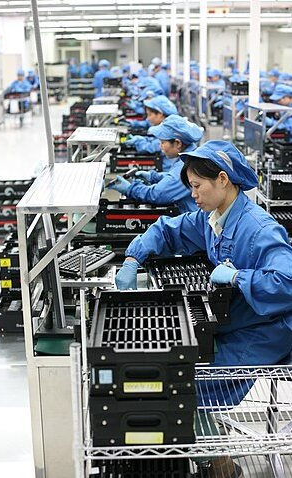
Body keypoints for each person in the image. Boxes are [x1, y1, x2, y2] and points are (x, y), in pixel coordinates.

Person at [115, 140, 292, 477]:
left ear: (222, 179)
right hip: (237, 321)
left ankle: (221, 466)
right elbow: (169, 230)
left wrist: (239, 276)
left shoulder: (259, 228)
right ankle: (216, 460)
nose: (192, 194)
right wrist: (133, 257)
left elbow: (287, 282)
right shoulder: (214, 218)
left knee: (190, 385)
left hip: (267, 329)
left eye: (197, 186)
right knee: (183, 375)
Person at [107, 115, 203, 213]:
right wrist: (154, 177)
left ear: (178, 143)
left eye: (162, 142)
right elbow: (175, 180)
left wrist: (130, 189)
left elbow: (157, 195)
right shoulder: (191, 157)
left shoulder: (187, 167)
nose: (160, 146)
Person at [124, 95, 178, 171]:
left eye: (149, 115)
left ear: (160, 114)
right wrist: (142, 139)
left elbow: (153, 146)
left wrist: (139, 142)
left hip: (167, 169)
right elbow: (155, 139)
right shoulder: (168, 125)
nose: (148, 118)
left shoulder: (170, 130)